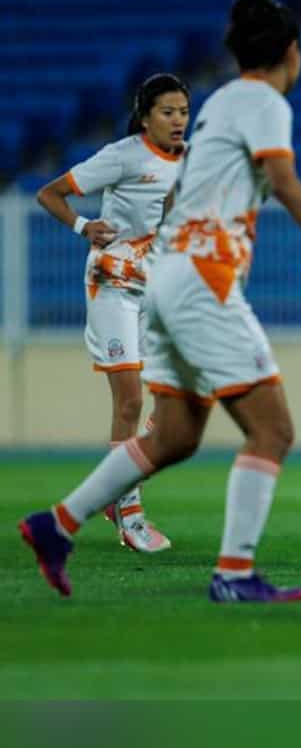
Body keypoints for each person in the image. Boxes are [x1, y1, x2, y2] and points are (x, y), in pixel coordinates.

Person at [19, 0, 301, 602]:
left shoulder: (218, 105)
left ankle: (57, 525)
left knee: (175, 435)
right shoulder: (266, 104)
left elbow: (191, 193)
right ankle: (234, 574)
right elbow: (286, 184)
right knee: (273, 431)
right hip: (201, 282)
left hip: (165, 279)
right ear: (291, 53)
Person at [35, 73, 191, 553]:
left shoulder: (187, 160)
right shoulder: (123, 155)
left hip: (151, 284)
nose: (178, 121)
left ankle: (113, 487)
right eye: (168, 112)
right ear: (145, 117)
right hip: (111, 285)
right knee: (129, 402)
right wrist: (84, 225)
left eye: (183, 111)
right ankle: (130, 516)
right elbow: (50, 193)